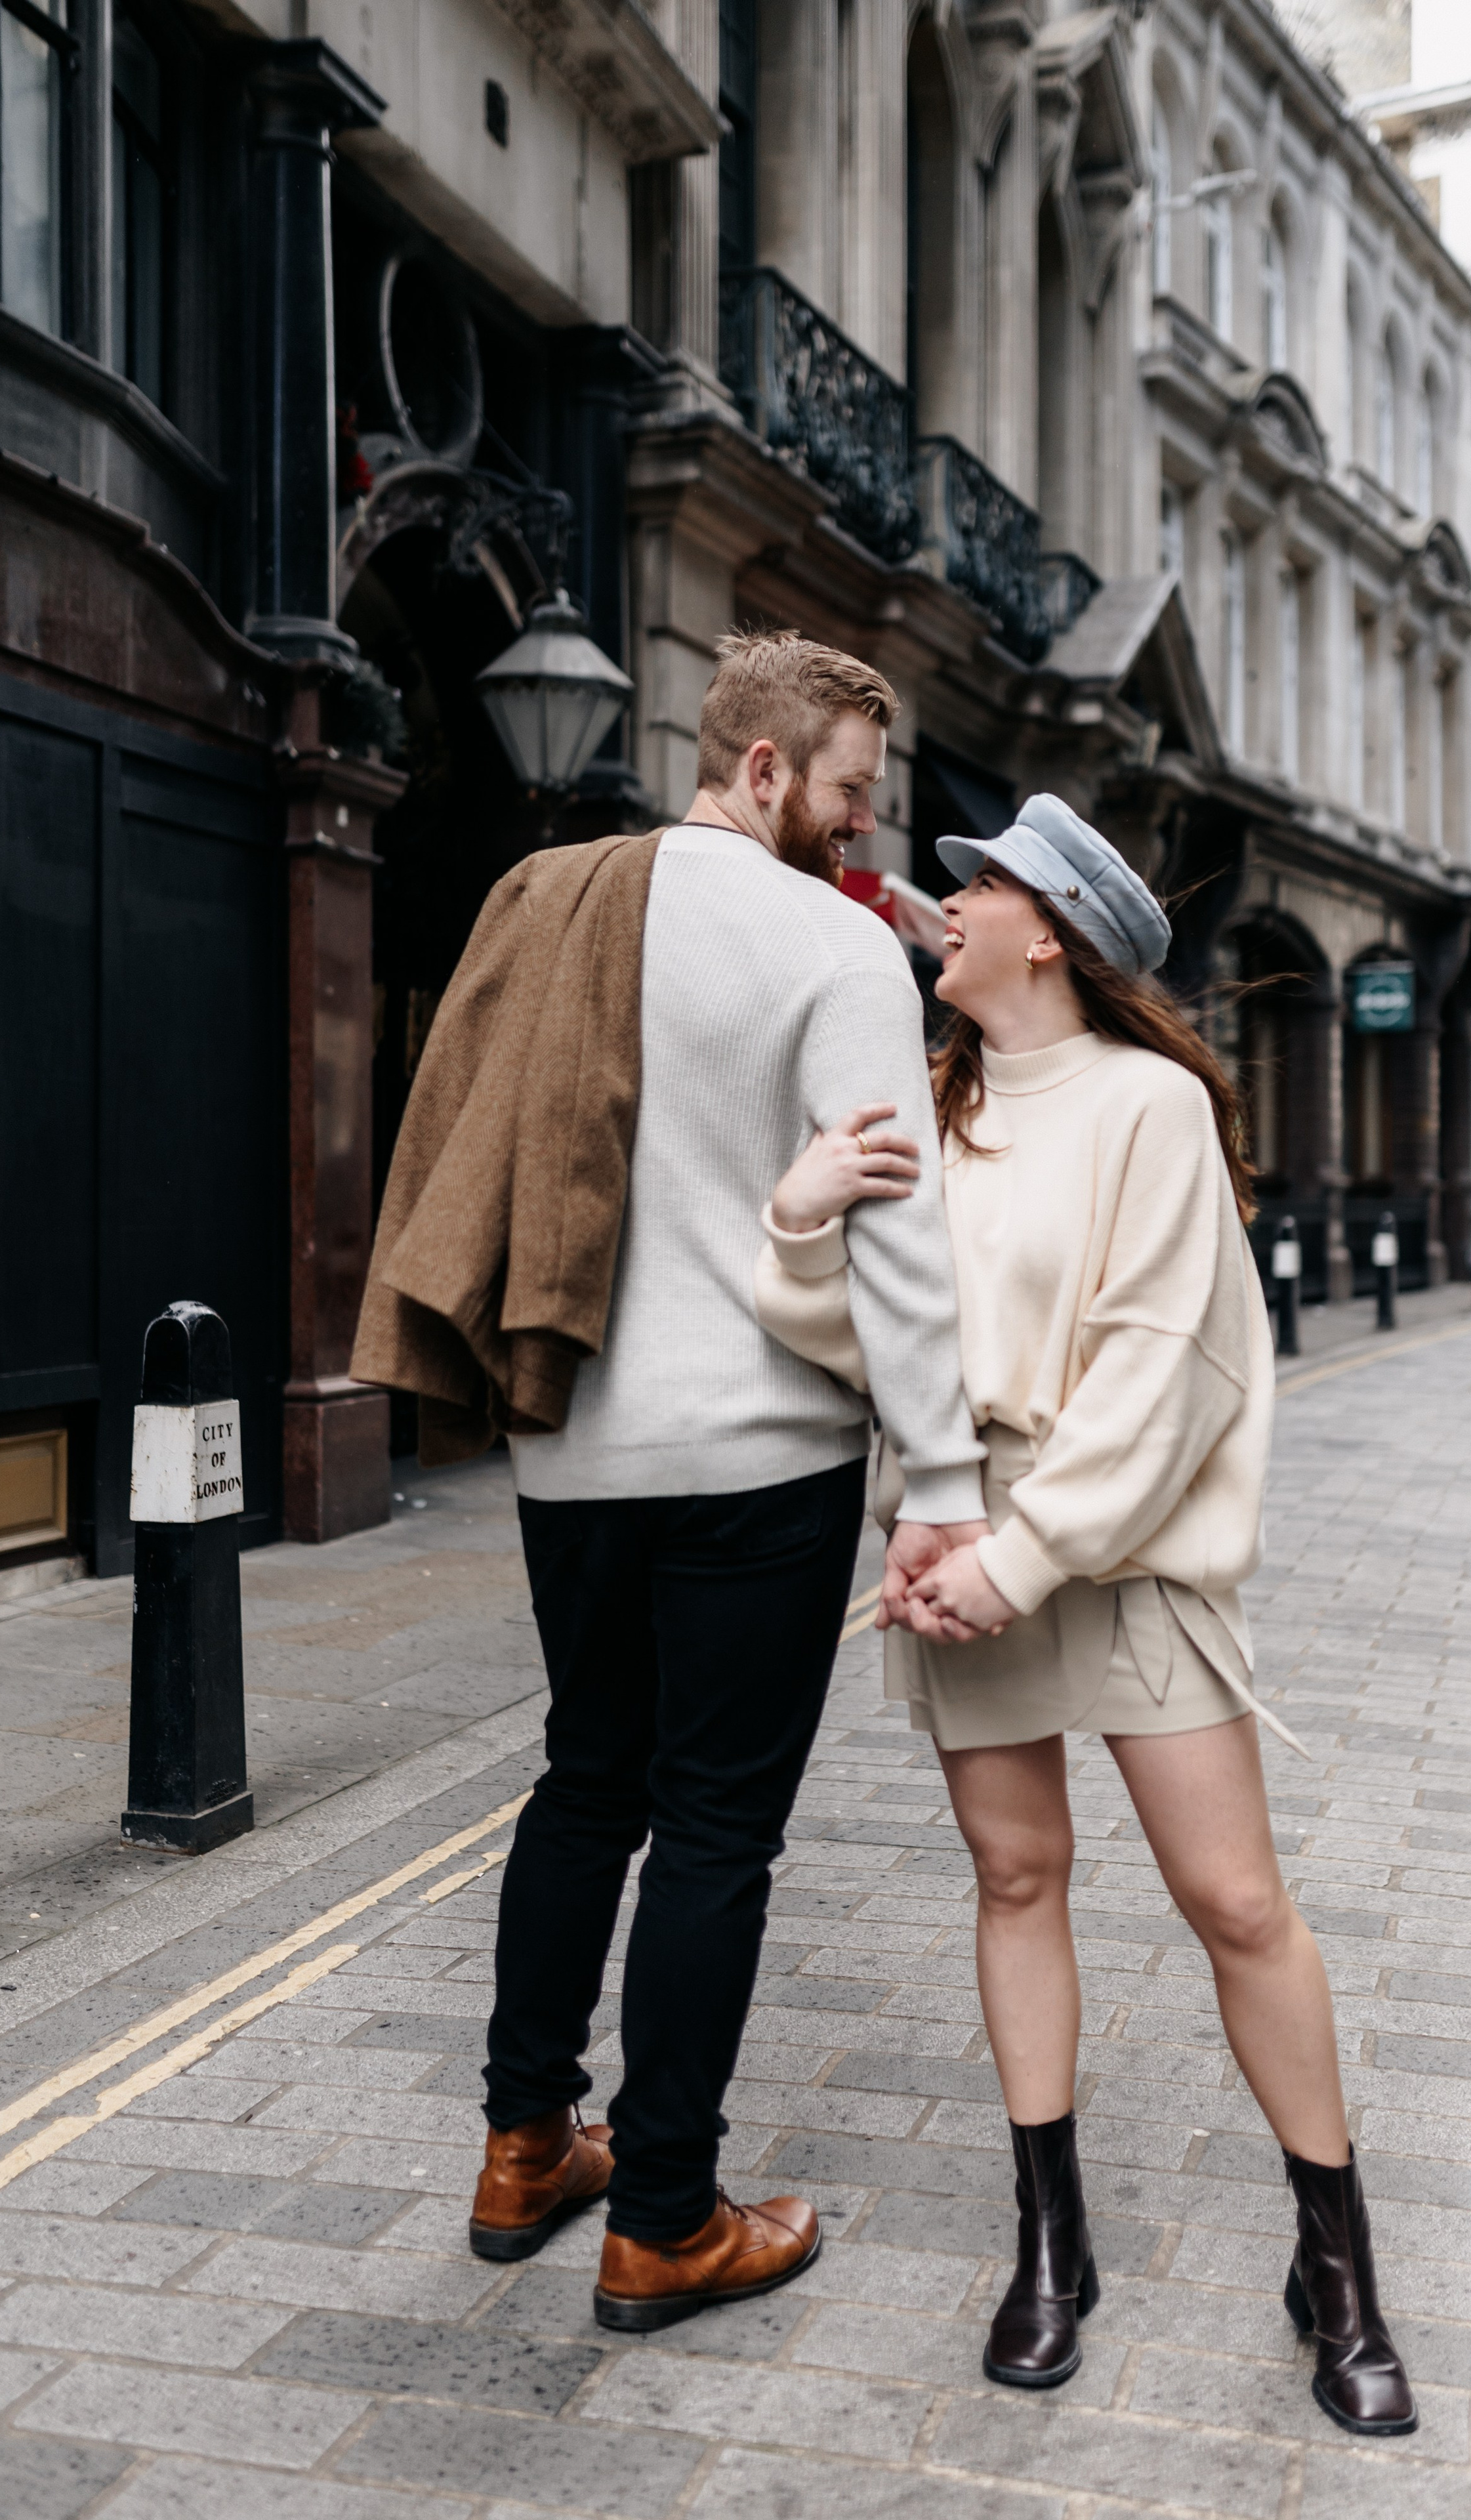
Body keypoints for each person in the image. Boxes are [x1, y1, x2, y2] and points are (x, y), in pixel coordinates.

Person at [755, 793, 1417, 2435]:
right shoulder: (925, 1106)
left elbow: (1167, 1370)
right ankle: (1050, 2240)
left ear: (1042, 926)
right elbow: (853, 1338)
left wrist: (1020, 1551)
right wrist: (799, 1213)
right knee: (1014, 1871)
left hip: (1109, 1554)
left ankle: (1333, 2260)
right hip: (961, 1543)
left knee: (1233, 1895)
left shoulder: (1146, 1108)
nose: (941, 908)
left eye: (969, 887)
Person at [457, 633, 986, 2330]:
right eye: (844, 793)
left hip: (572, 1449)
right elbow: (896, 1238)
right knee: (714, 1836)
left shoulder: (546, 902)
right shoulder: (831, 947)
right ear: (762, 769)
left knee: (586, 1783)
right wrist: (945, 1477)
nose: (860, 832)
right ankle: (668, 2215)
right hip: (757, 1458)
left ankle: (527, 2146)